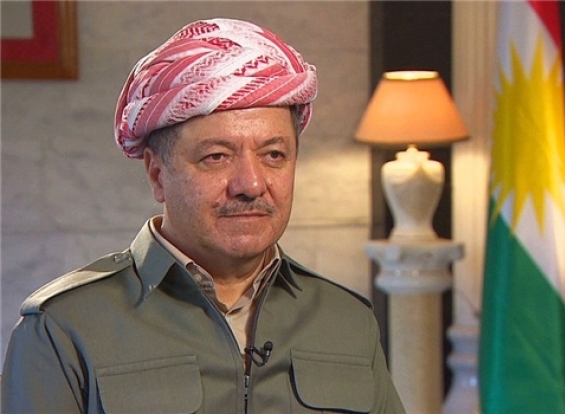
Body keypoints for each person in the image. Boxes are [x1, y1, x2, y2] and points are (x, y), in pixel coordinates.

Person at [1, 18, 405, 414]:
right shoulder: (63, 328)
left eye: (274, 155)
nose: (251, 184)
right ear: (157, 174)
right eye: (216, 157)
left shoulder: (348, 320)